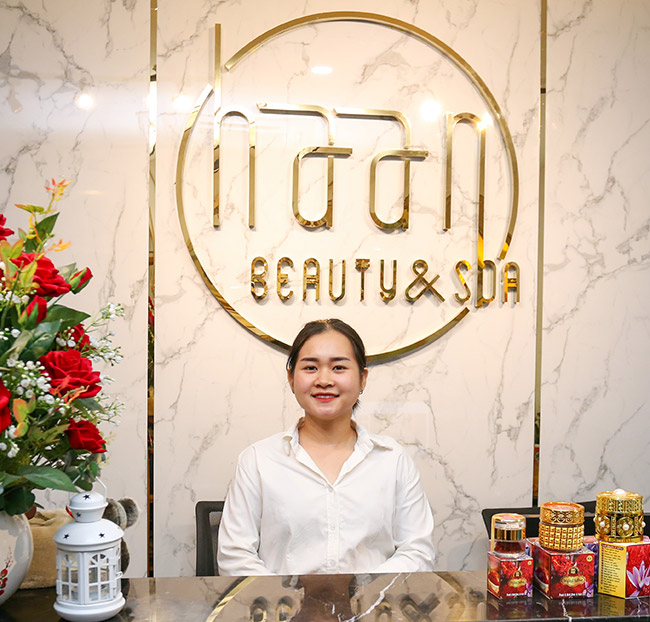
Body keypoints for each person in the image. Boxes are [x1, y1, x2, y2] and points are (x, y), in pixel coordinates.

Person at [217, 319, 435, 576]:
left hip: (374, 601)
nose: (323, 380)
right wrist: (290, 598)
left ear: (363, 378)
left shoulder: (392, 460)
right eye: (310, 367)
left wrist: (363, 592)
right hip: (281, 603)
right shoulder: (257, 460)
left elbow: (418, 552)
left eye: (338, 367)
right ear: (291, 378)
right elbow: (235, 556)